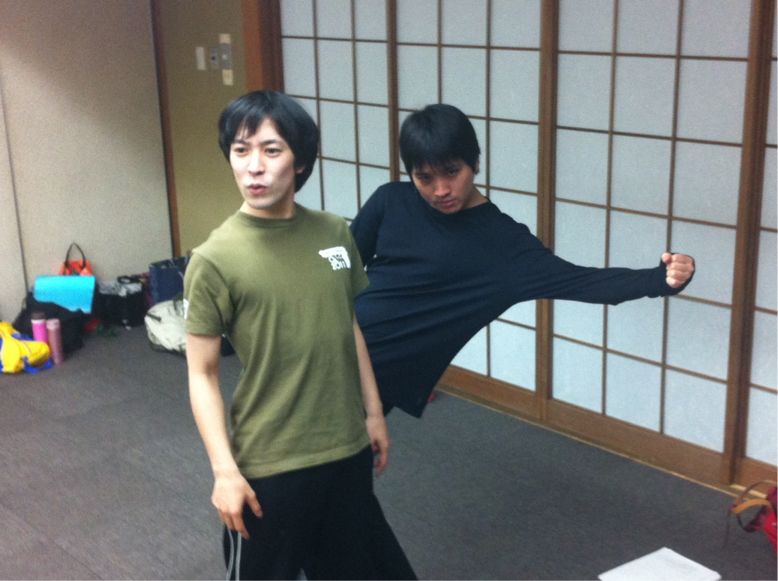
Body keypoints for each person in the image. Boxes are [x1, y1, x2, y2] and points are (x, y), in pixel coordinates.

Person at [350, 103, 695, 418]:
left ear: (475, 163)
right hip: (329, 337)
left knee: (344, 461)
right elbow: (340, 268)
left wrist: (660, 278)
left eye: (451, 172)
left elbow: (585, 282)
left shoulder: (505, 246)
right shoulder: (390, 200)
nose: (440, 189)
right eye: (425, 178)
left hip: (376, 377)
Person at [184, 90, 397, 580]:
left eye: (271, 150)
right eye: (241, 150)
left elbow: (348, 326)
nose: (254, 167)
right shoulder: (214, 259)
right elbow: (202, 374)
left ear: (300, 161)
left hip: (346, 449)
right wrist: (224, 471)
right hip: (270, 462)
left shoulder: (334, 234)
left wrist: (373, 413)